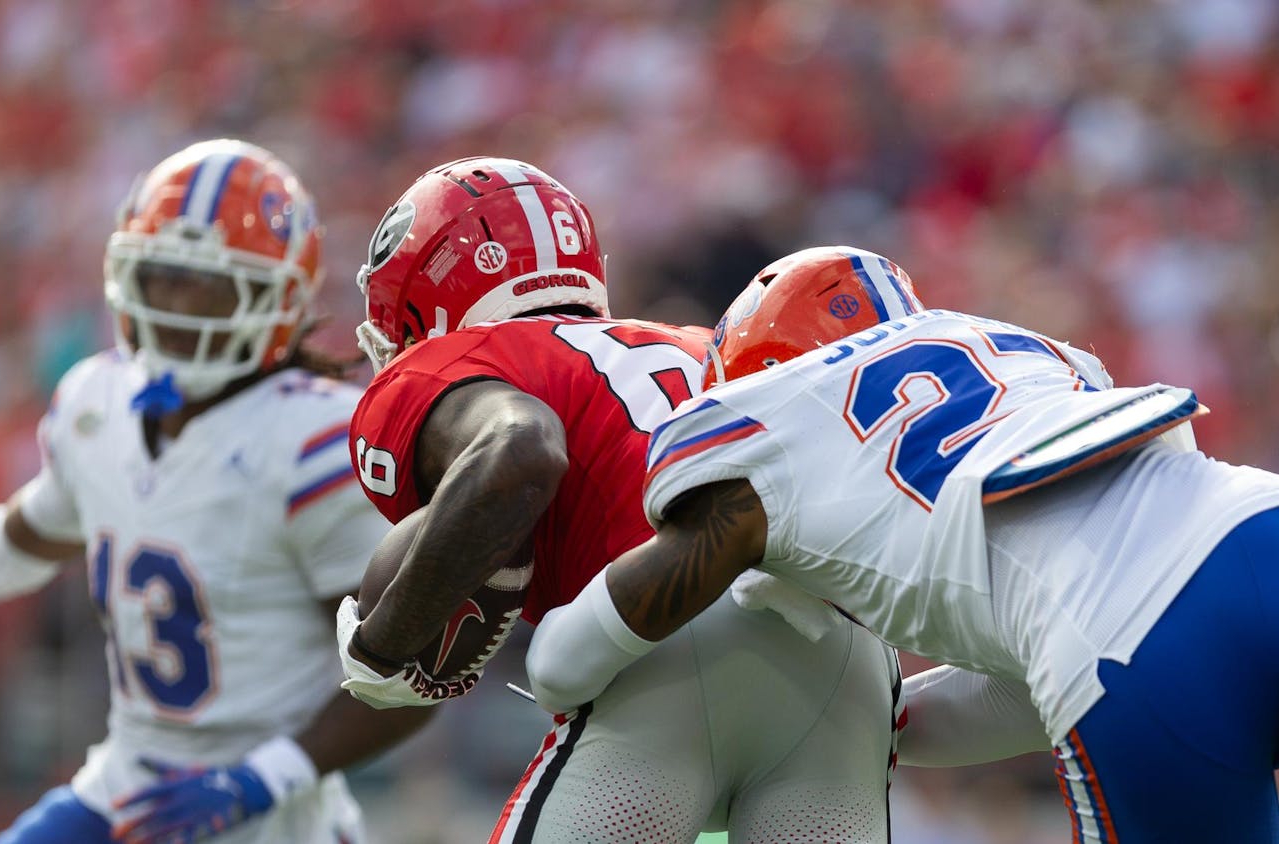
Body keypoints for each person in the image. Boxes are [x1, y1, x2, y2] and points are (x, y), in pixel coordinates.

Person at [526, 245, 1279, 843]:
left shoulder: (761, 421)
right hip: (1261, 542)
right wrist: (889, 728)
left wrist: (560, 659)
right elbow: (1049, 629)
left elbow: (598, 638)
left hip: (1125, 657)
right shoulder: (1014, 343)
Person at [334, 158, 923, 843]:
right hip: (847, 664)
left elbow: (520, 452)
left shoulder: (451, 365)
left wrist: (385, 647)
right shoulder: (705, 341)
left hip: (662, 632)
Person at [0, 140, 433, 844]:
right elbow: (16, 544)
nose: (177, 305)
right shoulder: (97, 403)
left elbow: (411, 672)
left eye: (206, 285)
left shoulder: (317, 441)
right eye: (161, 277)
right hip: (123, 786)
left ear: (278, 297)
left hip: (273, 815)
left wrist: (261, 778)